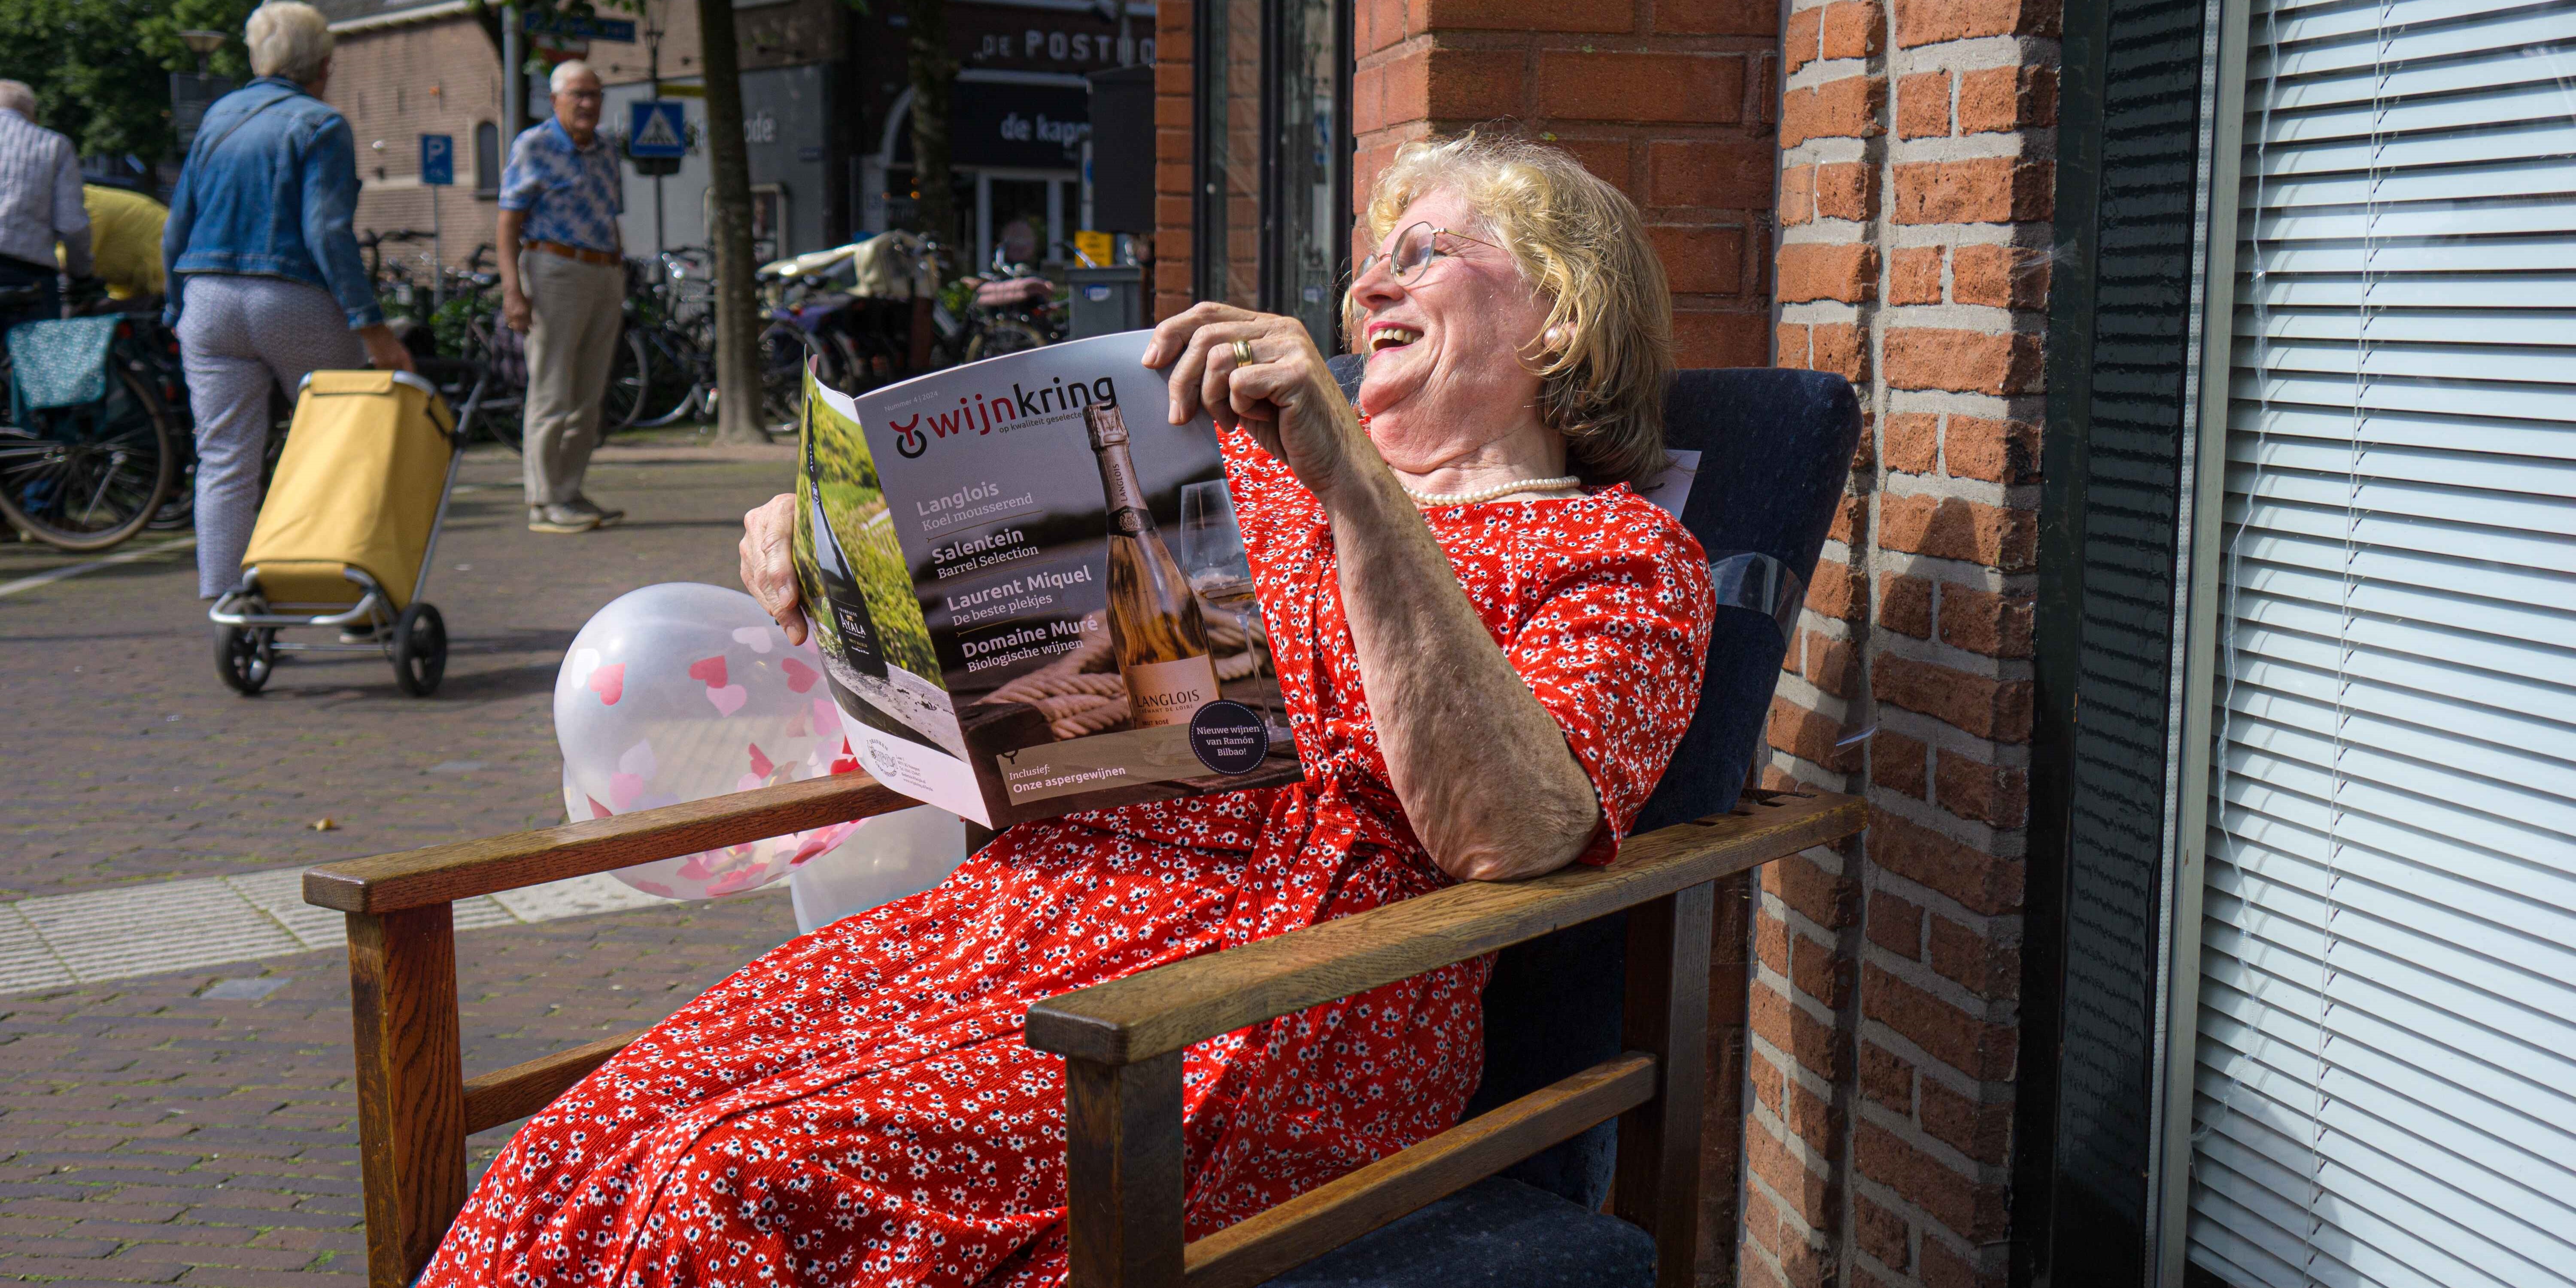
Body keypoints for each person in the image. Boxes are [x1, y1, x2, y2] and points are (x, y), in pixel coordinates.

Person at [419, 133, 1713, 1288]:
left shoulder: (1612, 554)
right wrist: (819, 541)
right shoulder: (1226, 474)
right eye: (1367, 258)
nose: (1368, 285)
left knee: (724, 1180)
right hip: (1008, 918)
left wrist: (1358, 488)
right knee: (590, 1131)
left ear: (1557, 317)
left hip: (1265, 991)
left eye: (1420, 253)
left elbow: (1513, 835)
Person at [161, 1, 413, 606]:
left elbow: (176, 227)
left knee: (224, 458)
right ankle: (336, 584)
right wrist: (371, 327)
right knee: (334, 446)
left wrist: (175, 308)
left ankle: (227, 603)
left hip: (209, 297)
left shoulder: (219, 119)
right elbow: (327, 233)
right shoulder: (320, 125)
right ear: (322, 64)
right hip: (291, 297)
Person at [497, 59, 626, 535]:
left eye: (595, 94)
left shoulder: (608, 150)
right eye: (578, 95)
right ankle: (542, 500)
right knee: (552, 390)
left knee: (589, 396)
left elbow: (611, 215)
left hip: (603, 272)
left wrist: (618, 268)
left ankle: (570, 491)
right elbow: (509, 220)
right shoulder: (534, 146)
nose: (589, 103)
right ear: (555, 101)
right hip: (553, 270)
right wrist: (513, 289)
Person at [0, 80, 89, 327]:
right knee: (35, 362)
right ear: (32, 115)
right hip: (27, 276)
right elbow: (72, 225)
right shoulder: (55, 145)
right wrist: (81, 274)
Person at [70, 182, 168, 307]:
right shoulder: (86, 201)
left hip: (162, 273)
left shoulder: (87, 207)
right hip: (137, 284)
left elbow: (74, 257)